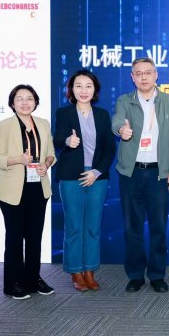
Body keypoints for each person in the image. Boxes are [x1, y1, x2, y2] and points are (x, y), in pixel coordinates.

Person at [111, 57, 169, 293]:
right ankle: (135, 275)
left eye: (148, 72)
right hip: (131, 173)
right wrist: (121, 130)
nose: (143, 77)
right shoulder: (125, 101)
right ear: (132, 77)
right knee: (132, 227)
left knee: (158, 227)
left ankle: (156, 275)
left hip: (158, 174)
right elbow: (117, 121)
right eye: (138, 73)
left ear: (156, 75)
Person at [0, 85, 56, 299]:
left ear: (35, 102)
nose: (25, 102)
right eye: (20, 98)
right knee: (15, 238)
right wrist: (18, 159)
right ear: (12, 103)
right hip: (12, 190)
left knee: (35, 237)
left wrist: (46, 164)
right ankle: (13, 283)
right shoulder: (3, 126)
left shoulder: (43, 124)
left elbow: (51, 153)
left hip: (38, 187)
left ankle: (33, 279)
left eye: (29, 98)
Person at [53, 70, 116, 292]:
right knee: (74, 226)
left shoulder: (102, 115)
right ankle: (75, 271)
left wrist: (97, 171)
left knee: (92, 227)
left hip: (97, 177)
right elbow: (56, 140)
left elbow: (110, 148)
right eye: (78, 85)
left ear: (94, 89)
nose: (83, 90)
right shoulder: (64, 113)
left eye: (88, 86)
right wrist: (66, 141)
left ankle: (90, 270)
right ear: (71, 89)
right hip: (71, 176)